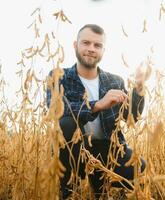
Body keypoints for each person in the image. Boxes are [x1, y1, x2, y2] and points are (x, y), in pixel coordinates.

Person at [46, 24, 147, 199]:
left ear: (103, 50)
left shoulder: (114, 81)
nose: (91, 49)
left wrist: (139, 86)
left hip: (109, 149)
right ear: (75, 45)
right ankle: (69, 189)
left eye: (97, 45)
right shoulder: (58, 76)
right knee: (66, 123)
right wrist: (98, 105)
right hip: (75, 149)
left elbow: (132, 116)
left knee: (139, 167)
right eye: (86, 43)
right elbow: (57, 111)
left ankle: (100, 181)